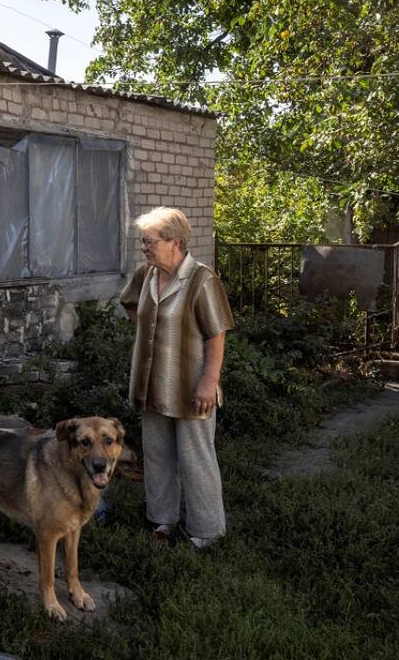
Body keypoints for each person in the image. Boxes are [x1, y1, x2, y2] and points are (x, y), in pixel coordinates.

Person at [120, 207, 234, 549]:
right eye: (143, 241)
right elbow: (129, 304)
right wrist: (153, 329)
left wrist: (209, 381)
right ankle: (162, 519)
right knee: (157, 454)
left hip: (191, 386)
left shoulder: (201, 279)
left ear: (175, 242)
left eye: (150, 241)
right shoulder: (146, 275)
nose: (144, 247)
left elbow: (216, 333)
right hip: (152, 384)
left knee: (195, 458)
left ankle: (207, 531)